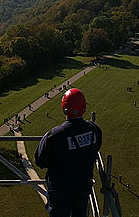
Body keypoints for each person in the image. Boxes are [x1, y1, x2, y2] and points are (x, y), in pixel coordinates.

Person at [35, 88, 102, 217]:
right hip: (82, 187)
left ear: (64, 108)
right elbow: (95, 149)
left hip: (60, 191)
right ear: (84, 107)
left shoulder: (54, 135)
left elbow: (40, 160)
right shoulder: (94, 130)